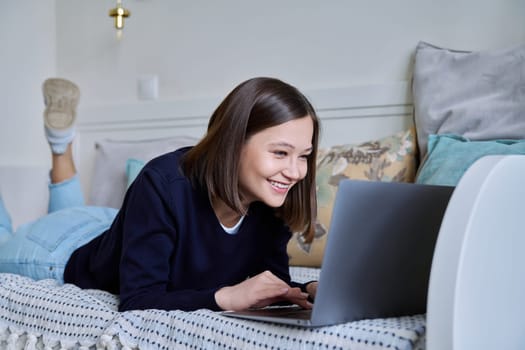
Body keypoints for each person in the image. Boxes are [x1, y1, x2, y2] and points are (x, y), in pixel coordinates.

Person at [0, 76, 319, 312]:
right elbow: (138, 300)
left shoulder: (272, 200)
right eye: (280, 153)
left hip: (112, 227)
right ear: (232, 143)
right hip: (54, 253)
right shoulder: (162, 183)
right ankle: (60, 144)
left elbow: (269, 284)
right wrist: (225, 297)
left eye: (303, 155)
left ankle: (60, 143)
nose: (295, 172)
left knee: (66, 211)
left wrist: (307, 290)